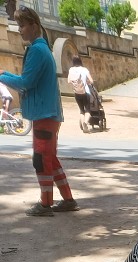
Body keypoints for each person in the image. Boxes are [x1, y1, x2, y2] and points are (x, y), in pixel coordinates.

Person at [0, 7, 78, 216]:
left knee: (41, 160)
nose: (20, 30)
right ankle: (68, 199)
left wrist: (3, 76)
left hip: (44, 114)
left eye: (22, 25)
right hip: (48, 114)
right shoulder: (42, 49)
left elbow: (26, 82)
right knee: (49, 158)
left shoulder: (36, 50)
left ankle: (45, 204)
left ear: (34, 26)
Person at [67, 56, 93, 132]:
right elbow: (91, 81)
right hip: (85, 92)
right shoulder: (84, 70)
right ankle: (85, 122)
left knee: (81, 110)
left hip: (77, 92)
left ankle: (84, 127)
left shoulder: (71, 70)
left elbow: (69, 81)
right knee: (88, 109)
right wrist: (87, 82)